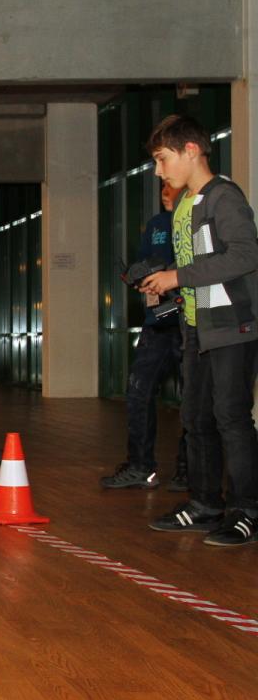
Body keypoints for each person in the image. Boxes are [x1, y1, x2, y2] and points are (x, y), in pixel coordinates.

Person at [139, 114, 258, 546]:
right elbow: (200, 264)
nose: (159, 170)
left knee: (231, 418)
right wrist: (167, 280)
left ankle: (247, 510)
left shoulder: (223, 197)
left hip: (231, 327)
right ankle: (205, 504)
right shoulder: (185, 206)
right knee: (195, 418)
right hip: (196, 327)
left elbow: (244, 255)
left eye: (162, 158)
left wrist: (179, 276)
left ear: (191, 151)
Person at [100, 180, 190, 491]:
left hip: (190, 321)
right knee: (138, 389)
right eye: (162, 185)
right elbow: (143, 260)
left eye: (171, 185)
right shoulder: (155, 225)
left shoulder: (199, 220)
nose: (165, 190)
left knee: (193, 399)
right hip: (158, 322)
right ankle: (140, 466)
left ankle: (189, 469)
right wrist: (139, 275)